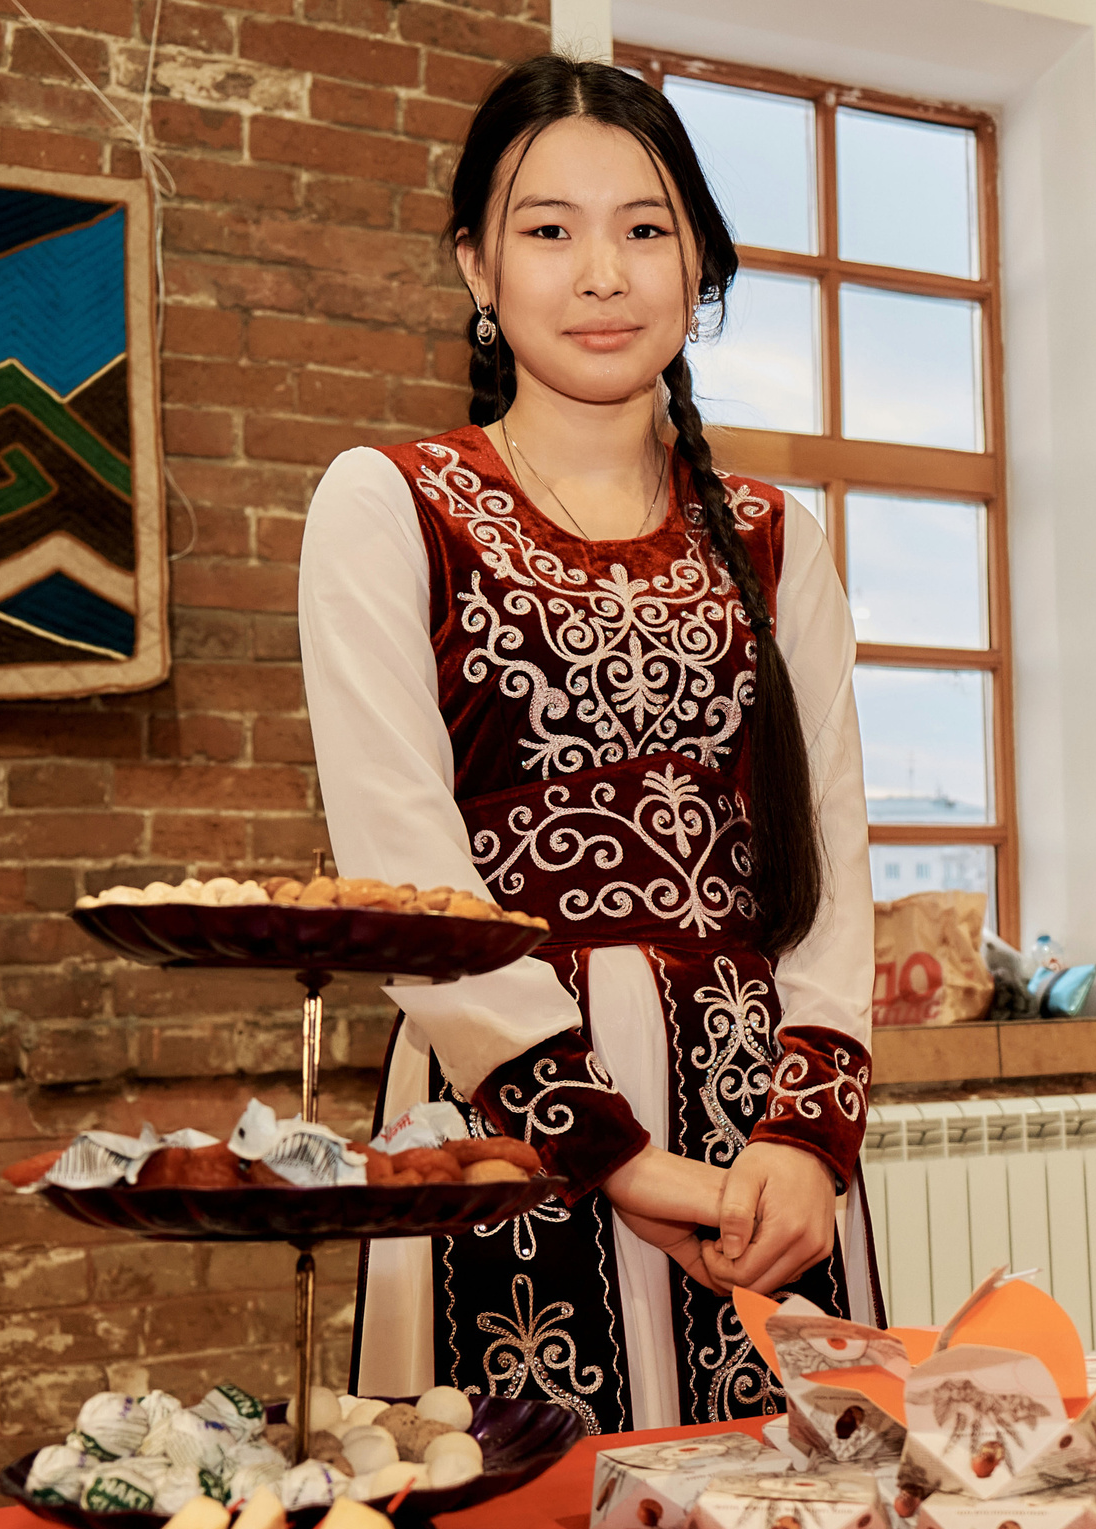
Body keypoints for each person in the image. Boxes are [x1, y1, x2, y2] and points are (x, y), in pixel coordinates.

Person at [298, 55, 878, 1433]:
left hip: (763, 1134)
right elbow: (403, 863)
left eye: (645, 227)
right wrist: (611, 1150)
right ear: (475, 266)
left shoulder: (780, 534)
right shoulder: (392, 501)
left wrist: (809, 1139)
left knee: (789, 1519)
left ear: (699, 265)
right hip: (502, 1114)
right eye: (549, 230)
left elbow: (836, 858)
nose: (602, 272)